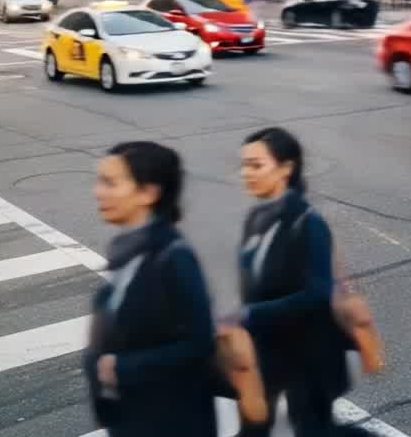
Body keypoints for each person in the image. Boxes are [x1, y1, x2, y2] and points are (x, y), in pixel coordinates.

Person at [83, 141, 218, 437]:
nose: (97, 191)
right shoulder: (126, 247)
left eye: (110, 182)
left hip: (172, 424)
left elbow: (199, 345)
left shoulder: (174, 258)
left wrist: (119, 368)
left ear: (148, 193)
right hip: (134, 419)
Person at [230, 127, 350, 437]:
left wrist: (253, 314)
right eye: (244, 165)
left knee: (315, 429)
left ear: (286, 168)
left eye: (256, 165)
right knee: (253, 427)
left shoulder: (308, 223)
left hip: (308, 353)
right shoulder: (255, 219)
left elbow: (318, 294)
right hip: (268, 350)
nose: (246, 173)